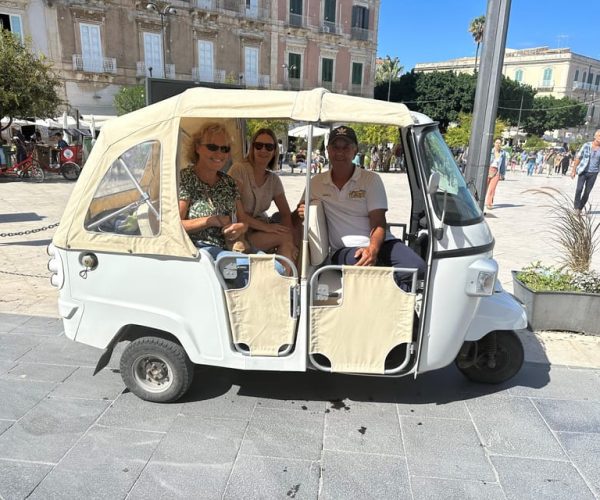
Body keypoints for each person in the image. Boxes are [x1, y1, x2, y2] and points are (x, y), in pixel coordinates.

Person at [295, 125, 426, 283]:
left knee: (418, 268)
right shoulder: (316, 183)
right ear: (328, 150)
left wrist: (373, 249)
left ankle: (390, 291)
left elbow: (378, 222)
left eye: (346, 147)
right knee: (364, 267)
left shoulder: (371, 180)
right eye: (335, 147)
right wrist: (299, 212)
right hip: (344, 250)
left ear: (355, 150)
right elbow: (296, 215)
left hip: (381, 243)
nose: (340, 152)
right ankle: (389, 289)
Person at [178, 122, 248, 259]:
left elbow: (244, 221)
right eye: (212, 147)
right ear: (197, 147)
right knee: (248, 271)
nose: (219, 153)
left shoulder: (228, 182)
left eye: (225, 149)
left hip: (230, 247)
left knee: (276, 268)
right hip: (201, 250)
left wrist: (239, 228)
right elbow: (175, 224)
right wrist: (210, 220)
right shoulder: (185, 178)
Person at [228, 128, 297, 267]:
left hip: (258, 229)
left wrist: (292, 239)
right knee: (286, 239)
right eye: (258, 145)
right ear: (252, 148)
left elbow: (285, 214)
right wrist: (267, 228)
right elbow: (237, 213)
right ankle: (284, 282)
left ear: (274, 151)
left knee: (291, 237)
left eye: (269, 146)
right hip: (238, 231)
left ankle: (284, 281)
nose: (263, 150)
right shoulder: (239, 170)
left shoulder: (273, 179)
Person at [570, 129, 600, 214]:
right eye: (599, 136)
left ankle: (580, 208)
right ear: (595, 136)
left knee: (587, 192)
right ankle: (576, 207)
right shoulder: (587, 145)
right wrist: (573, 170)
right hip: (583, 171)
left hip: (593, 173)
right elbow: (578, 157)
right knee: (579, 189)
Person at [485, 139, 507, 210]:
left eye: (500, 143)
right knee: (483, 187)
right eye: (497, 143)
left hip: (496, 171)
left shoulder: (503, 153)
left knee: (492, 189)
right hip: (488, 170)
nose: (498, 144)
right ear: (494, 143)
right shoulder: (490, 151)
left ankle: (489, 203)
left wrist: (502, 174)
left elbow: (503, 164)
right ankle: (478, 201)